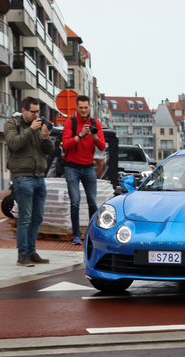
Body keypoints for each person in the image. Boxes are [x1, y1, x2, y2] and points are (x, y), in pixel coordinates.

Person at [4, 97, 54, 267]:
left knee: (37, 217)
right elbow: (13, 143)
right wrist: (31, 130)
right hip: (22, 177)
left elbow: (50, 151)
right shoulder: (12, 124)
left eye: (37, 112)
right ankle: (22, 254)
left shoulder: (39, 126)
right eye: (32, 112)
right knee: (25, 217)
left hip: (39, 177)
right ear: (24, 110)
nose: (35, 115)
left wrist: (46, 138)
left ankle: (32, 252)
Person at [62, 95, 106, 245]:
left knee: (92, 202)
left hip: (88, 167)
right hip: (72, 167)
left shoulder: (96, 124)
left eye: (85, 107)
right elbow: (65, 145)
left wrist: (93, 136)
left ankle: (92, 236)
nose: (83, 110)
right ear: (77, 108)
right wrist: (80, 135)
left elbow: (102, 146)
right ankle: (76, 235)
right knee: (75, 202)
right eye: (80, 108)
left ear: (89, 107)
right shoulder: (70, 123)